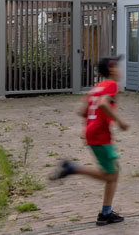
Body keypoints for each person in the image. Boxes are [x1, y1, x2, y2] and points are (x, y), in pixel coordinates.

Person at [49, 56, 130, 225]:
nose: (119, 69)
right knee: (110, 175)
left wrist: (86, 128)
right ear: (112, 69)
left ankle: (106, 213)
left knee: (112, 174)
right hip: (100, 135)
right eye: (116, 66)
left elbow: (82, 110)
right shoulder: (111, 85)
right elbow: (102, 104)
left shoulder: (97, 87)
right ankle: (73, 169)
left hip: (94, 134)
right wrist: (120, 122)